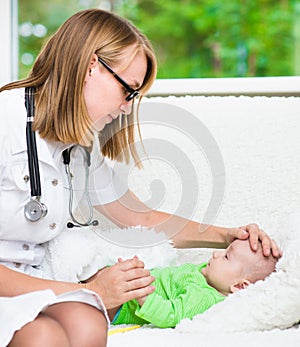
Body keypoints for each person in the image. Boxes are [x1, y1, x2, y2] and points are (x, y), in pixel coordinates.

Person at [0, 8, 281, 347]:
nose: (128, 107)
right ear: (91, 66)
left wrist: (228, 235)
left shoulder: (78, 148)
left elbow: (141, 217)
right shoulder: (6, 122)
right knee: (47, 333)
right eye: (127, 90)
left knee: (88, 321)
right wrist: (89, 290)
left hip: (30, 285)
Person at [109, 239, 278, 328]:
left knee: (93, 297)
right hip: (128, 282)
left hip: (124, 304)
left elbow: (172, 315)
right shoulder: (211, 275)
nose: (215, 253)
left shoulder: (204, 298)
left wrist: (143, 294)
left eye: (226, 256)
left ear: (240, 286)